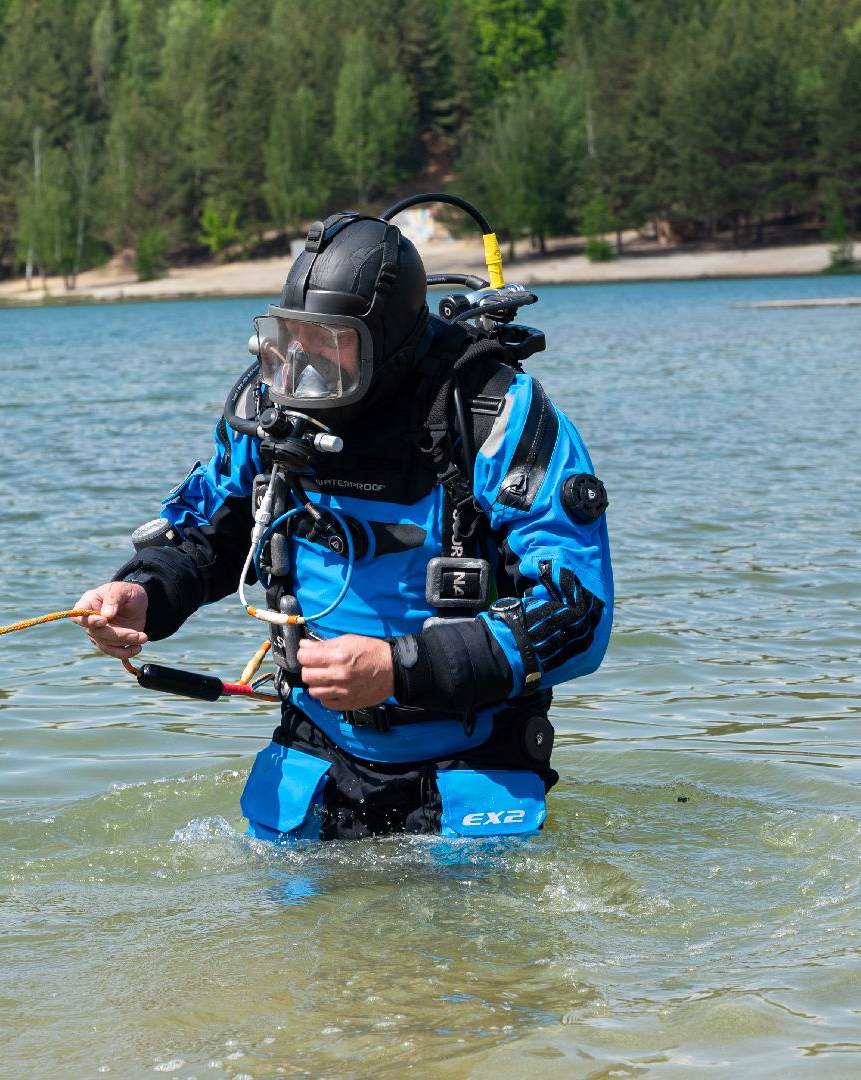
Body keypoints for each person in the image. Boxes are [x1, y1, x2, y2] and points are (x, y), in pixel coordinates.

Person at [74, 209, 611, 840]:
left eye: (330, 343)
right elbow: (211, 528)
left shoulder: (496, 416)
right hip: (314, 748)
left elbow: (578, 614)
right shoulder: (267, 410)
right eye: (290, 337)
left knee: (467, 941)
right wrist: (143, 592)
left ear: (388, 340)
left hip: (474, 757)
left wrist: (397, 666)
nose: (303, 365)